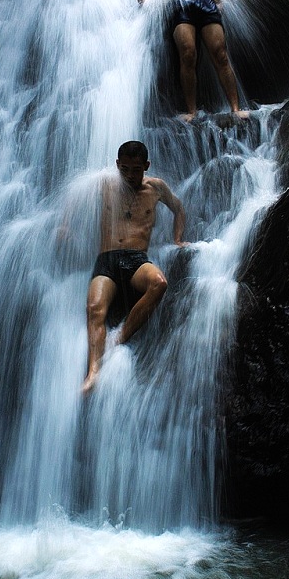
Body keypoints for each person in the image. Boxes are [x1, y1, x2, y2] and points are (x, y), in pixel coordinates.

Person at [82, 141, 188, 394]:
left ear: (146, 167)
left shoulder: (157, 188)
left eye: (136, 170)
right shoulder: (104, 184)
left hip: (136, 260)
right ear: (117, 165)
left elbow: (179, 208)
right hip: (107, 259)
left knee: (159, 283)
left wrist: (177, 239)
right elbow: (73, 198)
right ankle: (93, 373)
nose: (129, 176)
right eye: (125, 169)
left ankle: (119, 338)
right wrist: (65, 227)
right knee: (94, 307)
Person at [138, 0, 248, 121]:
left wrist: (219, 8)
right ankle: (191, 111)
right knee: (188, 54)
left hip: (206, 6)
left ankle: (236, 108)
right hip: (179, 5)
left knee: (221, 54)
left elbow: (217, 0)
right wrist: (147, 1)